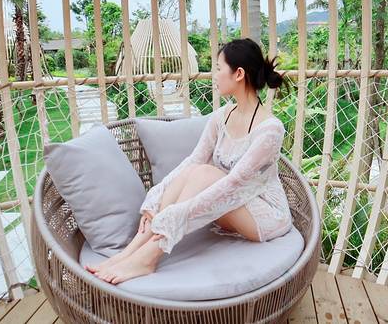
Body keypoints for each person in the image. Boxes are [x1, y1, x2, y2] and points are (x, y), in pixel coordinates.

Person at [85, 38, 292, 284]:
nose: (214, 75)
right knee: (197, 169)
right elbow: (192, 161)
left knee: (205, 174)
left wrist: (178, 213)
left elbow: (234, 184)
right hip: (228, 204)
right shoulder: (222, 116)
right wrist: (156, 199)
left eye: (218, 68)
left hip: (263, 214)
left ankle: (148, 258)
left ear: (238, 74)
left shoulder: (270, 129)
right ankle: (129, 253)